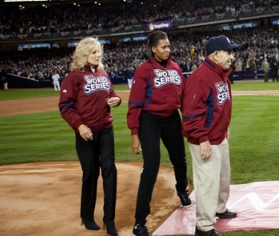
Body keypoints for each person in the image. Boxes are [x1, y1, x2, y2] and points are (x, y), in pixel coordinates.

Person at [127, 31, 191, 236]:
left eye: (168, 47)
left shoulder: (176, 68)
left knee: (179, 160)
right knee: (151, 167)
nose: (167, 50)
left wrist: (189, 121)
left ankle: (182, 189)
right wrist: (134, 134)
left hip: (172, 118)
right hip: (150, 120)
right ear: (153, 49)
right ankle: (139, 221)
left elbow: (184, 98)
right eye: (163, 47)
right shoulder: (143, 70)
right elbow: (135, 103)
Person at [58, 37, 122, 236]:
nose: (98, 54)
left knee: (110, 171)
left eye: (98, 51)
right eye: (93, 51)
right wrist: (79, 125)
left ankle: (109, 219)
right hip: (86, 134)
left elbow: (112, 93)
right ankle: (87, 216)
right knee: (90, 174)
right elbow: (65, 106)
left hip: (105, 130)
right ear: (84, 54)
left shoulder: (103, 73)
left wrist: (117, 100)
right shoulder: (74, 77)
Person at [182, 35, 241, 236]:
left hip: (219, 135)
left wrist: (225, 127)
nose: (231, 56)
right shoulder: (200, 77)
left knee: (223, 177)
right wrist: (202, 138)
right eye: (229, 52)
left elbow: (220, 105)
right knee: (207, 182)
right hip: (205, 139)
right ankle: (204, 227)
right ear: (216, 54)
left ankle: (219, 208)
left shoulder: (221, 73)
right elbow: (191, 113)